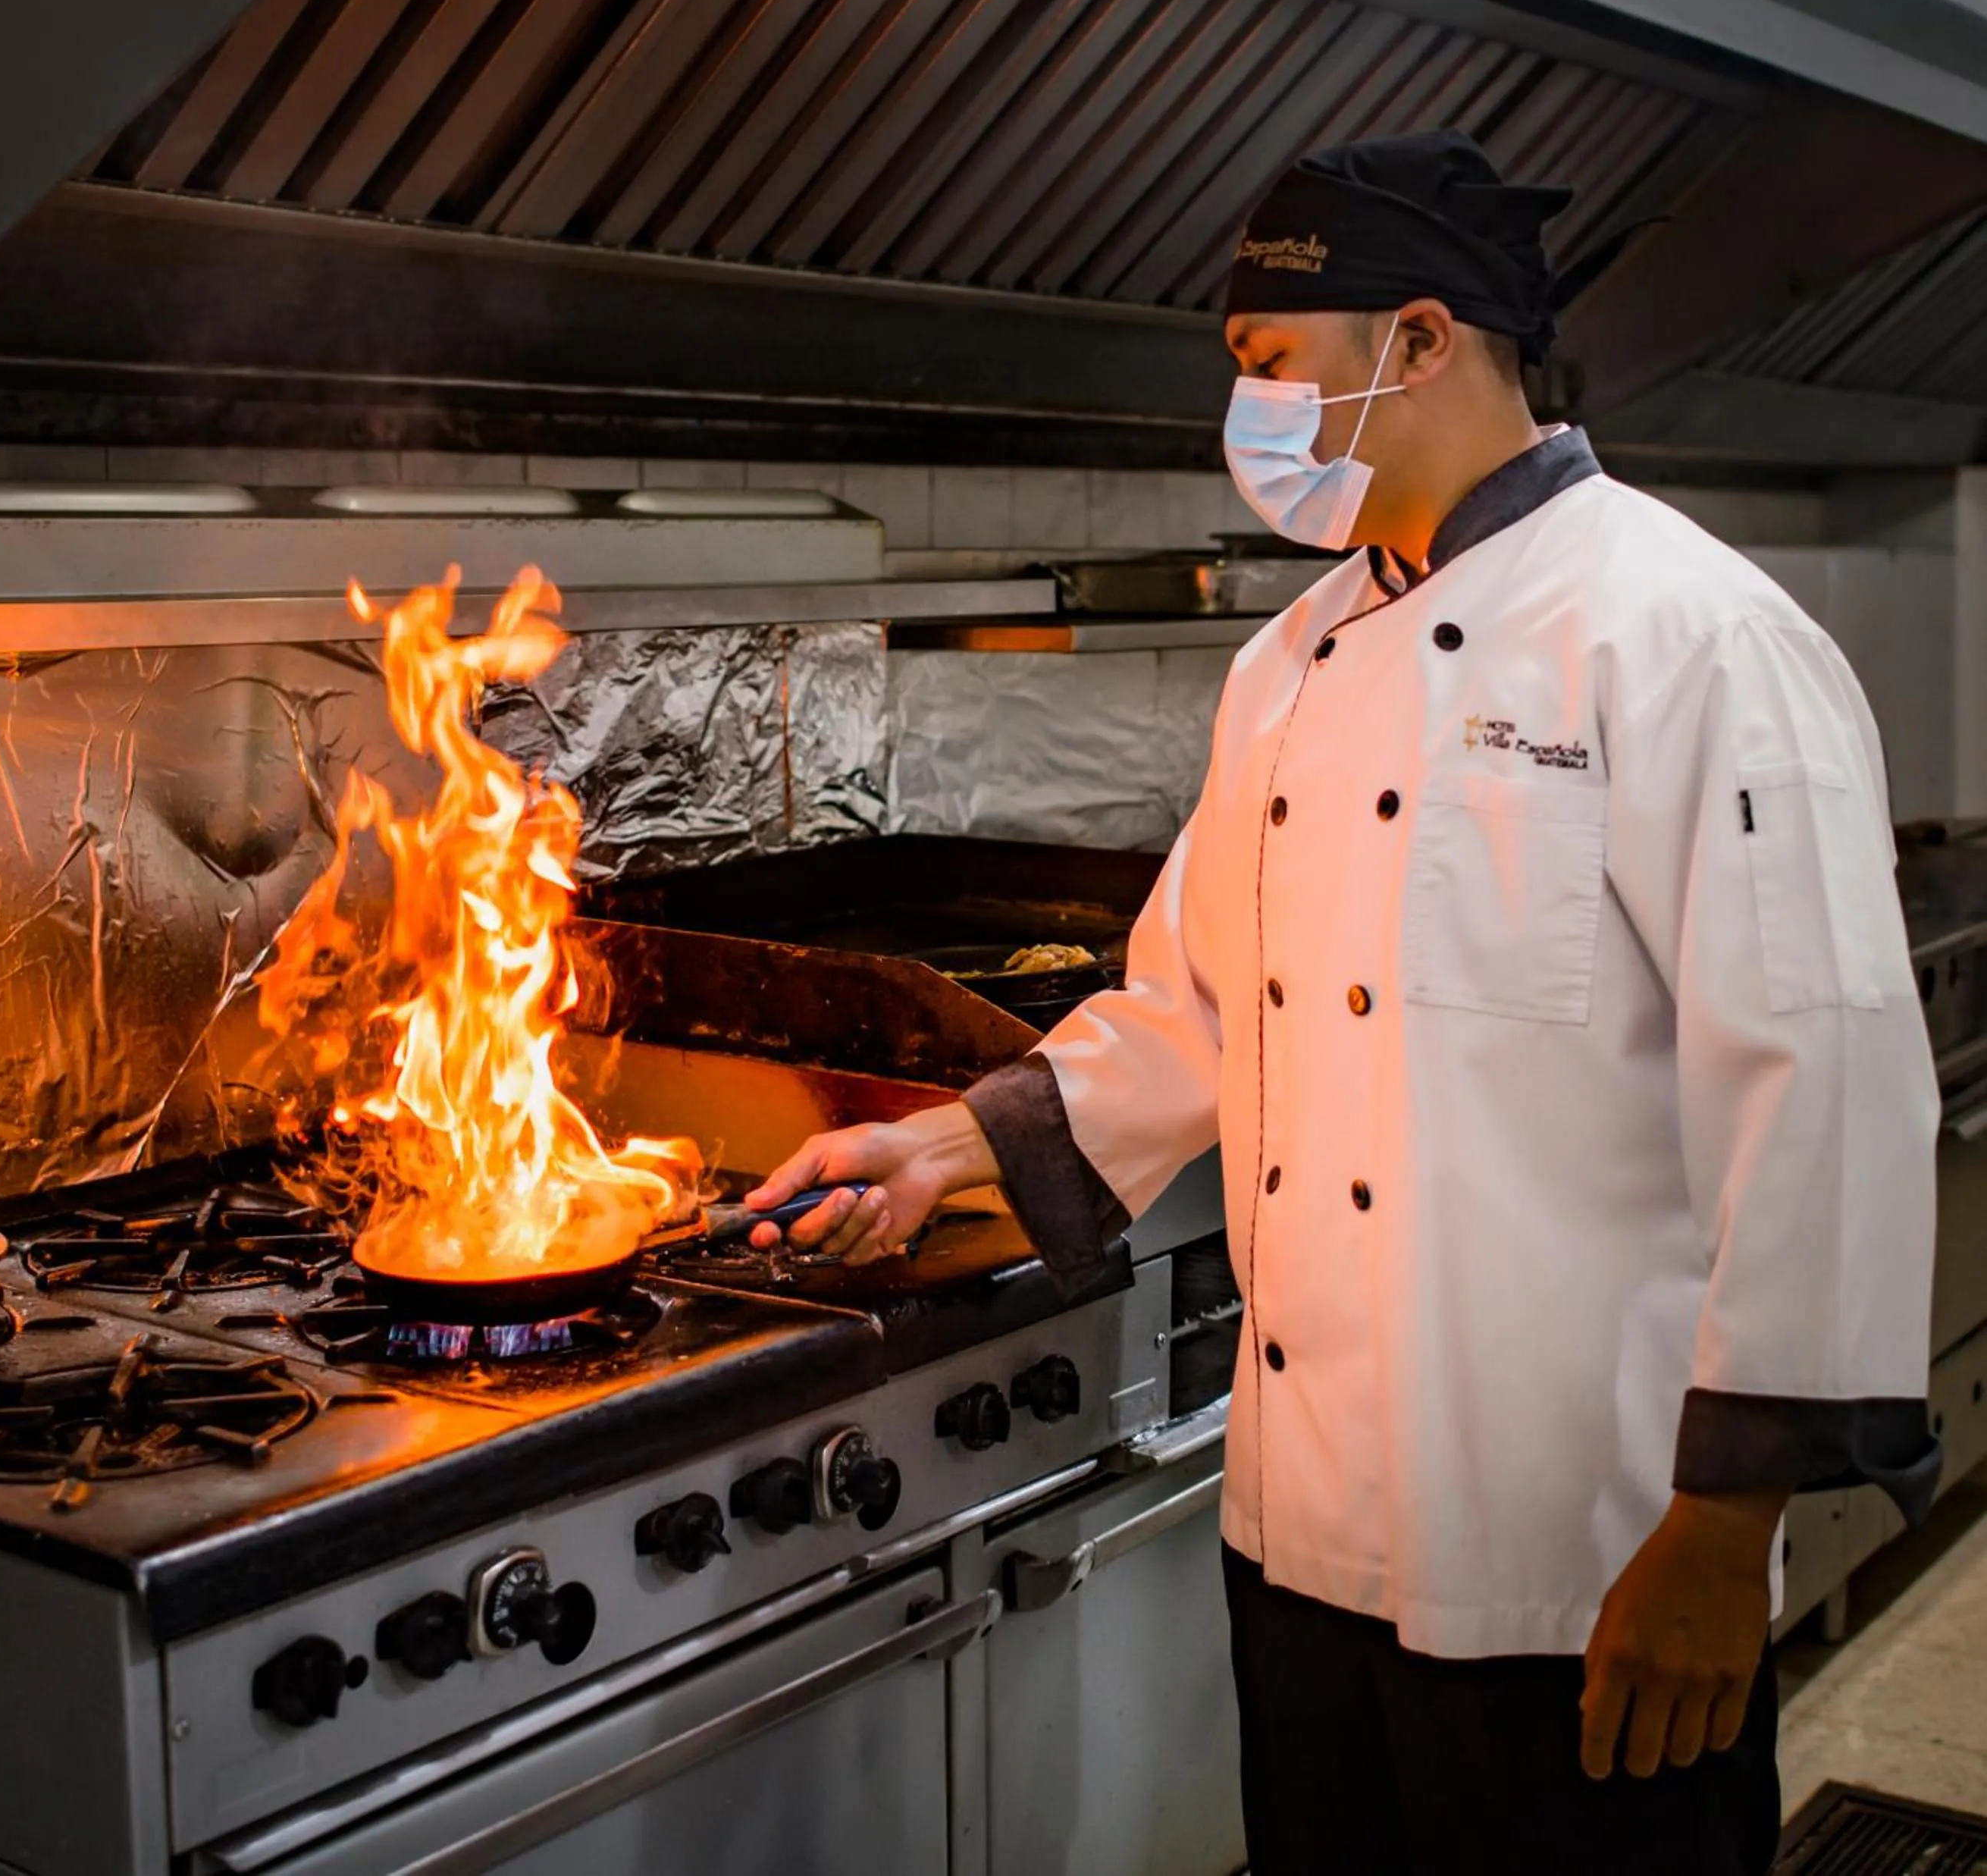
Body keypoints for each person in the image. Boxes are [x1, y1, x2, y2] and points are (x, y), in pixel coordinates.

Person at [746, 130, 1941, 1875]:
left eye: (1269, 365)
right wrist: (950, 1143)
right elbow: (1204, 1003)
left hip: (1584, 1554)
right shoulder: (1289, 662)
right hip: (1302, 1543)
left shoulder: (1683, 632)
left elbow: (1819, 1083)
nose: (1252, 413)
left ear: (1424, 342)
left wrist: (1721, 1529)